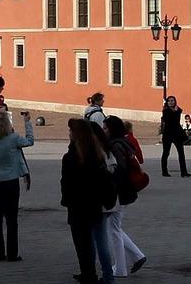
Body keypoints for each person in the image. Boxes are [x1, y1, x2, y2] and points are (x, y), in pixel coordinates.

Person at [61, 117, 116, 284]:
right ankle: (95, 274)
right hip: (94, 205)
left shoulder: (70, 157)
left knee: (83, 244)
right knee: (95, 240)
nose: (69, 133)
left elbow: (66, 183)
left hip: (78, 207)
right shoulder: (96, 155)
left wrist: (67, 200)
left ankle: (89, 273)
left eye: (71, 131)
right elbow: (105, 181)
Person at [0, 109, 34, 262]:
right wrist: (27, 122)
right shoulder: (14, 139)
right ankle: (12, 253)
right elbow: (30, 141)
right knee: (11, 219)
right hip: (10, 181)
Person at [103, 117, 148, 277]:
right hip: (125, 191)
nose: (104, 131)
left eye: (106, 128)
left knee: (113, 229)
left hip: (119, 192)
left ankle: (121, 268)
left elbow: (119, 169)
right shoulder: (124, 142)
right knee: (114, 227)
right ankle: (137, 256)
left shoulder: (115, 145)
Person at [159, 95, 191, 177]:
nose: (171, 102)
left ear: (175, 101)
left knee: (181, 153)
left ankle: (184, 172)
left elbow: (177, 120)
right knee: (166, 153)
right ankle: (164, 171)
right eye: (169, 101)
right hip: (168, 134)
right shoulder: (165, 111)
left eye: (172, 100)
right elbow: (170, 121)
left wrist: (176, 111)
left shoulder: (178, 110)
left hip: (177, 135)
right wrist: (175, 112)